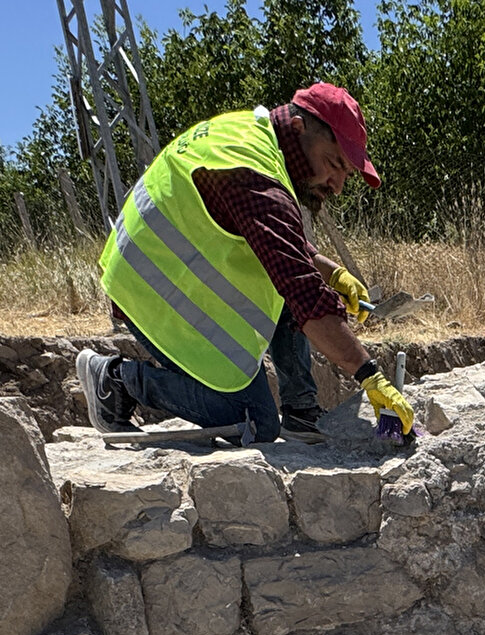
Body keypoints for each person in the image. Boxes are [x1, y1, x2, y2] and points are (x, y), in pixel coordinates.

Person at [75, 83, 413, 445]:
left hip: (166, 270)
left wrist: (333, 273)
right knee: (253, 420)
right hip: (150, 290)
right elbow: (304, 293)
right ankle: (116, 381)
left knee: (287, 282)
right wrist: (369, 374)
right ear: (299, 129)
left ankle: (301, 412)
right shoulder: (253, 175)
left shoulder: (254, 135)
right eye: (335, 164)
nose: (338, 184)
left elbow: (277, 240)